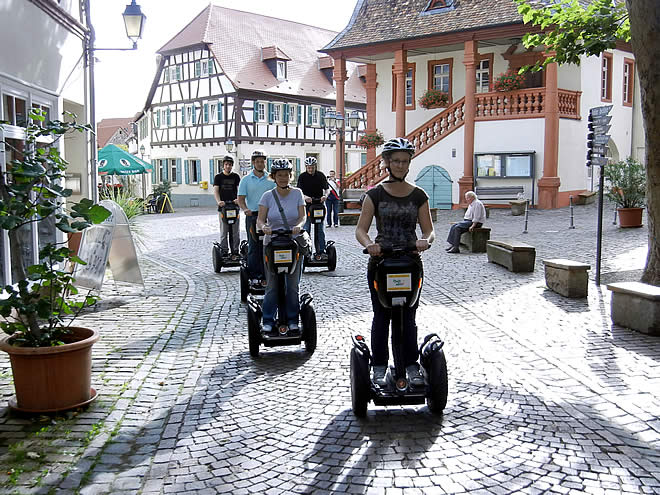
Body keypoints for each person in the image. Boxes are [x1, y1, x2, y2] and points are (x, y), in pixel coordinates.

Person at [355, 137, 435, 388]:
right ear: (387, 163)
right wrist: (369, 245)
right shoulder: (375, 195)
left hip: (410, 262)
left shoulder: (419, 195)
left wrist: (425, 240)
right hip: (382, 262)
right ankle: (379, 366)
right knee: (382, 315)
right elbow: (361, 229)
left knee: (409, 315)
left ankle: (411, 365)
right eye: (396, 161)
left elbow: (429, 230)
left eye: (405, 161)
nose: (400, 165)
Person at [256, 159, 306, 333]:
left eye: (286, 175)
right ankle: (268, 319)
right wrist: (264, 228)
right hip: (272, 243)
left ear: (290, 176)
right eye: (280, 175)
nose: (283, 178)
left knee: (292, 285)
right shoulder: (267, 196)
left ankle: (293, 319)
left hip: (292, 243)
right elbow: (260, 219)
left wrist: (299, 225)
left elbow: (302, 216)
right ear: (274, 177)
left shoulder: (298, 193)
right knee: (272, 284)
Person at [237, 150, 275, 284]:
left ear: (265, 162)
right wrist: (245, 209)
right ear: (253, 162)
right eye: (257, 161)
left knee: (270, 244)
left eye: (262, 161)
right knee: (254, 246)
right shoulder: (246, 180)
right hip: (253, 217)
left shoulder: (271, 179)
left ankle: (269, 274)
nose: (260, 163)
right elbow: (241, 198)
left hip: (269, 218)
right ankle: (255, 276)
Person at [297, 157, 329, 253]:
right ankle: (307, 249)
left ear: (315, 166)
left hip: (319, 205)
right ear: (306, 167)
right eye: (309, 167)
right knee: (306, 228)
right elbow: (299, 191)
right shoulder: (302, 177)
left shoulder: (320, 175)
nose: (310, 169)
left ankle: (321, 250)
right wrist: (305, 197)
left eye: (312, 167)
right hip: (307, 206)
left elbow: (327, 189)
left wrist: (325, 196)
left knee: (320, 229)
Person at [213, 155, 241, 259]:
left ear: (232, 166)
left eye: (230, 164)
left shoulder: (236, 177)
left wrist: (238, 199)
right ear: (223, 165)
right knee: (224, 231)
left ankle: (235, 251)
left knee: (235, 231)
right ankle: (224, 251)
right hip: (223, 208)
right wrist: (219, 201)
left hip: (234, 207)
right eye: (226, 164)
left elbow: (239, 190)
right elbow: (216, 190)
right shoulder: (218, 177)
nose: (228, 166)